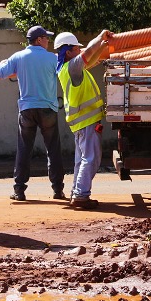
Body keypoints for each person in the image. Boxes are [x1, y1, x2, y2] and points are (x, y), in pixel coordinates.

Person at [0, 25, 67, 201]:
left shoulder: (18, 57)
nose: (48, 41)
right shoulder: (52, 59)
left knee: (24, 149)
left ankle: (19, 190)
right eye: (46, 38)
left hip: (27, 109)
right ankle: (58, 190)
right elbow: (65, 72)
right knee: (53, 150)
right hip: (48, 108)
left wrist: (4, 63)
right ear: (39, 40)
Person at [54, 30, 114, 210]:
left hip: (80, 121)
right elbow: (88, 53)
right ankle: (81, 195)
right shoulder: (73, 66)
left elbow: (92, 58)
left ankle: (76, 193)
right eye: (76, 48)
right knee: (91, 158)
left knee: (81, 160)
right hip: (86, 120)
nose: (79, 50)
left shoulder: (68, 69)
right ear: (69, 51)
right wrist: (100, 37)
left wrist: (102, 47)